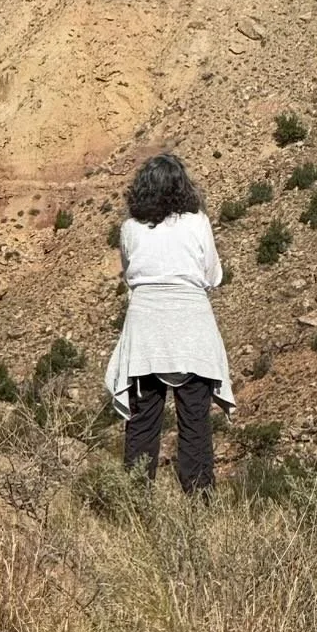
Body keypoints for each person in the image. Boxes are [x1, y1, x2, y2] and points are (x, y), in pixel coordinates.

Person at [104, 152, 234, 492]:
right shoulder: (198, 222)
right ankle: (200, 502)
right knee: (195, 422)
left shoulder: (129, 228)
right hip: (192, 327)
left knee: (143, 422)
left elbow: (130, 276)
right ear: (182, 187)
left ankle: (135, 504)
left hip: (146, 330)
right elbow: (213, 275)